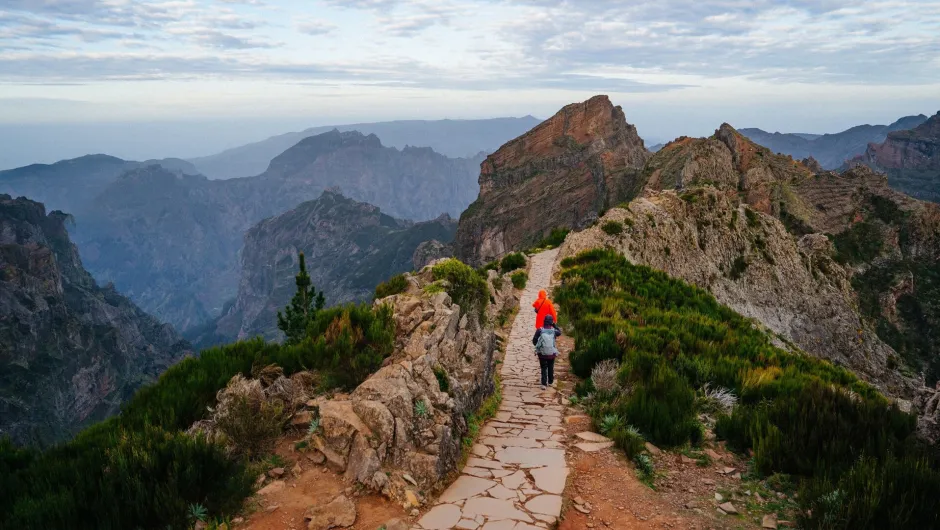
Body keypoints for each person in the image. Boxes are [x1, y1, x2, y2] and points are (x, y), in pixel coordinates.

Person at [532, 314, 562, 390]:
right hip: (551, 353)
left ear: (544, 321)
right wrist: (554, 325)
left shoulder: (540, 330)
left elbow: (534, 341)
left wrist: (538, 346)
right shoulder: (554, 331)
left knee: (543, 367)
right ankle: (551, 381)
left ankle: (544, 384)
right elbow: (560, 332)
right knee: (550, 366)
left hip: (542, 353)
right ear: (551, 322)